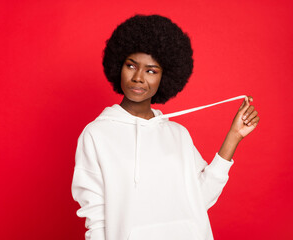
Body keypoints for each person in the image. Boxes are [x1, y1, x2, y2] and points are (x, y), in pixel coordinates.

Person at [71, 14, 259, 240]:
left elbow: (200, 199)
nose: (138, 78)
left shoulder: (177, 134)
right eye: (131, 66)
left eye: (151, 70)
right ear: (118, 66)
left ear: (165, 76)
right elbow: (96, 216)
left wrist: (233, 137)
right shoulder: (97, 134)